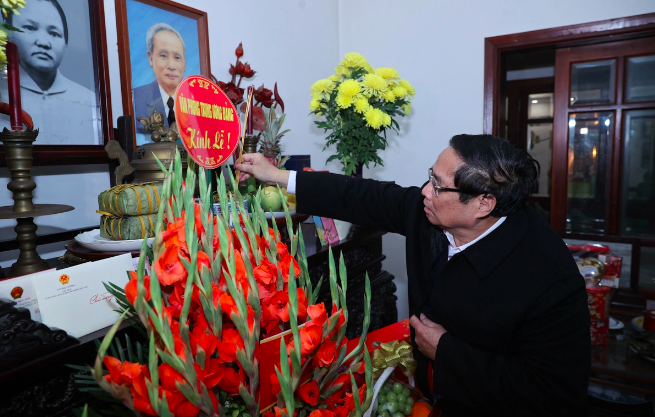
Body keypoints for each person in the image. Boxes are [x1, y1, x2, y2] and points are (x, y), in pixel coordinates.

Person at [235, 134, 591, 417]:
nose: (424, 192)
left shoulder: (548, 275)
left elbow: (553, 393)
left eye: (438, 186)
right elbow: (364, 196)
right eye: (429, 178)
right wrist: (278, 176)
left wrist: (446, 352)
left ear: (484, 204)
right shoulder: (432, 212)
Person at [1, 0, 97, 144]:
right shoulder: (2, 96)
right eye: (30, 28)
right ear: (10, 34)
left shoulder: (88, 100)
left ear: (65, 43)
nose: (44, 43)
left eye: (54, 33)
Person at [133, 23, 186, 144]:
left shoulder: (196, 104)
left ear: (184, 63)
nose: (171, 66)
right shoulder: (136, 98)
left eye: (177, 57)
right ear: (150, 58)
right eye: (163, 55)